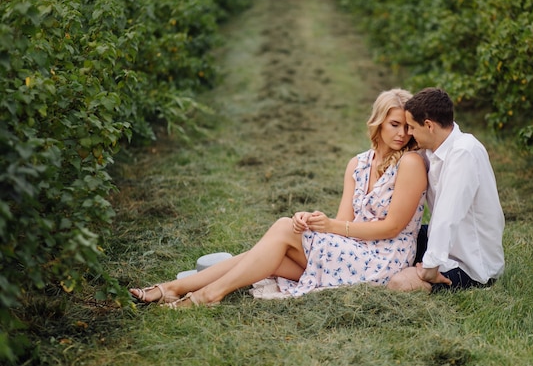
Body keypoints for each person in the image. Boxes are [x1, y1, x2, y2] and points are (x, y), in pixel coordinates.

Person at [130, 88, 428, 307]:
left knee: (283, 230)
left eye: (406, 126)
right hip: (353, 251)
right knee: (270, 255)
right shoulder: (358, 163)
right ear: (378, 122)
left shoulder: (411, 164)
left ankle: (207, 295)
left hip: (384, 259)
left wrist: (329, 228)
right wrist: (313, 221)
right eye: (394, 124)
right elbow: (344, 221)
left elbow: (391, 228)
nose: (402, 133)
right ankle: (174, 288)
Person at [387, 87, 505, 292]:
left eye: (412, 127)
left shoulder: (464, 152)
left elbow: (447, 215)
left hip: (471, 264)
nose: (409, 134)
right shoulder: (432, 149)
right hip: (441, 241)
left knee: (399, 284)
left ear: (429, 125)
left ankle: (429, 272)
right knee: (390, 243)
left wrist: (431, 267)